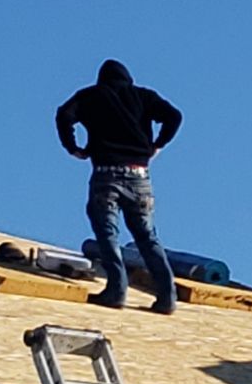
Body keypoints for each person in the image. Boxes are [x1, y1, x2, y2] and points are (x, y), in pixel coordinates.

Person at [56, 60, 182, 313]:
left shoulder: (90, 96)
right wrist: (158, 144)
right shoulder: (143, 96)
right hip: (139, 175)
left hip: (106, 174)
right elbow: (174, 116)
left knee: (107, 233)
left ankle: (116, 291)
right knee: (147, 237)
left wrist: (73, 148)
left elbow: (64, 115)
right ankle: (167, 297)